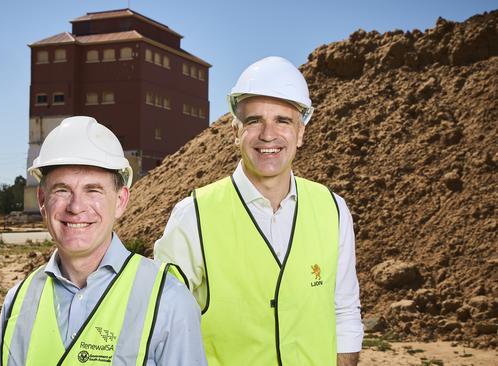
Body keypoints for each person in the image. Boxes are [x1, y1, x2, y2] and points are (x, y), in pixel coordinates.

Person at [154, 56, 363, 366]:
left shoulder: (332, 209)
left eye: (283, 120)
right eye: (254, 121)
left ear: (301, 133)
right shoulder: (194, 215)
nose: (268, 134)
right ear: (236, 130)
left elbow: (344, 313)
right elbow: (161, 326)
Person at [0, 116, 207, 366]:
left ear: (120, 201)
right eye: (62, 190)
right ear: (42, 200)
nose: (75, 207)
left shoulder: (169, 301)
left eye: (92, 190)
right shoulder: (16, 303)